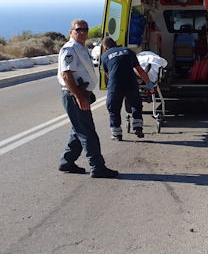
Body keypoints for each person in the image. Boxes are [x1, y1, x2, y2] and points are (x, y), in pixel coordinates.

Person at [57, 19, 118, 179]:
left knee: (78, 130)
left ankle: (67, 161)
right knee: (88, 132)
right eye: (78, 30)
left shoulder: (82, 48)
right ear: (71, 32)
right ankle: (97, 167)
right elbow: (66, 75)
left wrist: (88, 93)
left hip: (82, 93)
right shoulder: (69, 49)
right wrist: (79, 97)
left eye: (85, 29)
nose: (82, 32)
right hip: (74, 95)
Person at [100, 36, 152, 140]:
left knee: (113, 108)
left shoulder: (104, 56)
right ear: (115, 43)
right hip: (131, 83)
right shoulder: (128, 51)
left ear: (105, 48)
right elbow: (140, 70)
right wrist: (149, 84)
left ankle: (117, 134)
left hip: (115, 86)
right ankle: (138, 127)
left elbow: (108, 74)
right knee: (136, 105)